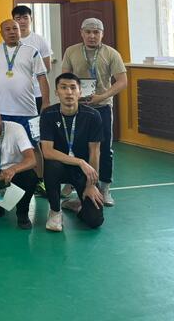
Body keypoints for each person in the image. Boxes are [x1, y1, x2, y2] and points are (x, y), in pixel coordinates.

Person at [61, 18, 127, 206]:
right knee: (74, 146)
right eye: (88, 32)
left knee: (104, 149)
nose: (92, 36)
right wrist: (72, 95)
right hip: (77, 108)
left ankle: (104, 188)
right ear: (81, 33)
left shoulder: (111, 53)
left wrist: (102, 96)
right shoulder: (71, 51)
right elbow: (65, 77)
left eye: (96, 32)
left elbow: (122, 81)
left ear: (102, 34)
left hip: (102, 108)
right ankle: (72, 183)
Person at [0, 19, 49, 188]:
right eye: (8, 29)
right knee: (3, 147)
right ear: (1, 33)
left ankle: (40, 181)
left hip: (27, 110)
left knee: (34, 146)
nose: (12, 32)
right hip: (1, 111)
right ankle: (6, 180)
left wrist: (46, 102)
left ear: (20, 31)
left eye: (15, 28)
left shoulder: (32, 51)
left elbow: (42, 77)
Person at [40, 73, 105, 232]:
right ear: (56, 92)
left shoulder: (93, 116)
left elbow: (95, 152)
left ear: (80, 92)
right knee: (51, 165)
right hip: (60, 167)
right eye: (63, 88)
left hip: (83, 172)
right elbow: (47, 152)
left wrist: (91, 185)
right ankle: (55, 211)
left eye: (73, 88)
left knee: (95, 221)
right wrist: (79, 161)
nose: (69, 92)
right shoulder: (48, 114)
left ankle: (77, 206)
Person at [12, 5, 53, 112]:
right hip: (15, 93)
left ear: (31, 19)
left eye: (25, 18)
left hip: (36, 92)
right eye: (18, 18)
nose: (22, 21)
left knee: (36, 121)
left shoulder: (40, 40)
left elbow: (47, 68)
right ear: (13, 20)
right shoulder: (8, 42)